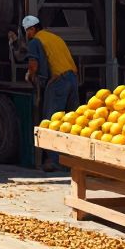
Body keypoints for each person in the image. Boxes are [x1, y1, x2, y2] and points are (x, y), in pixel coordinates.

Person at [23, 15, 78, 170]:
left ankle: (55, 161)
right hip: (73, 78)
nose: (27, 34)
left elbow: (33, 65)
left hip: (58, 82)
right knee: (71, 121)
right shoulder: (55, 38)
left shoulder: (35, 41)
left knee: (51, 122)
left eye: (27, 31)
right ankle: (73, 159)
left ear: (33, 29)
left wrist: (29, 75)